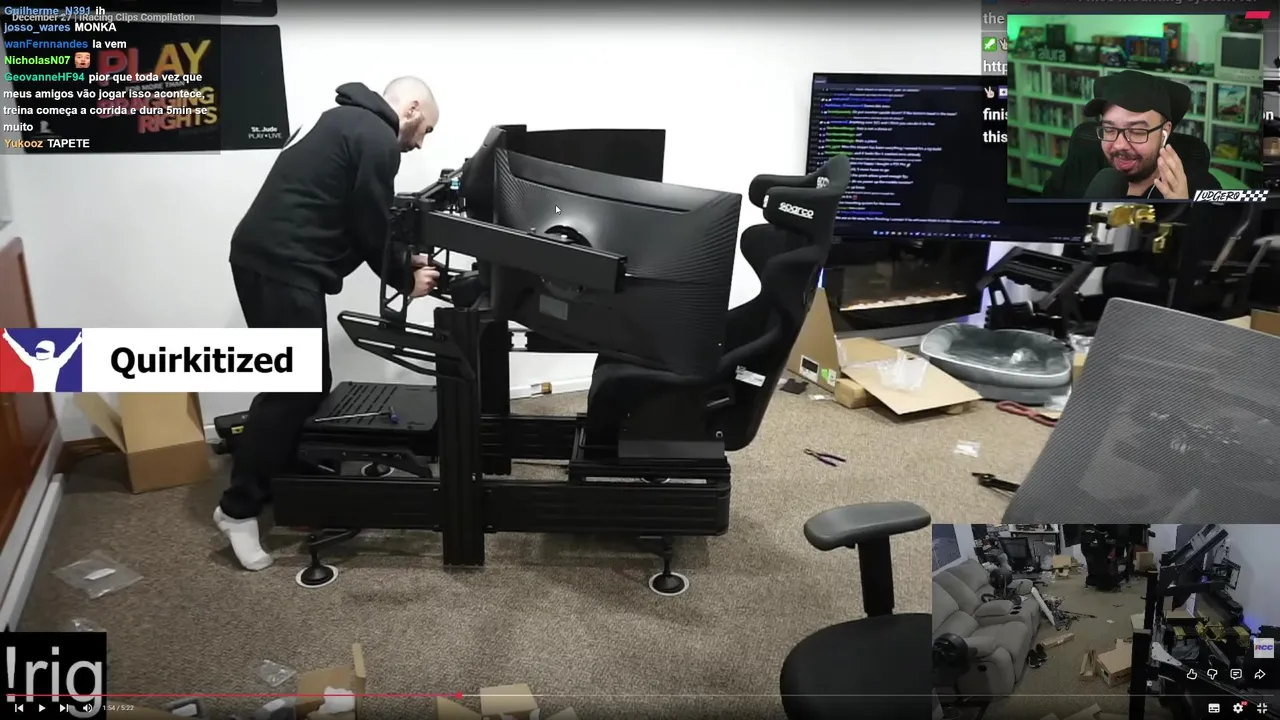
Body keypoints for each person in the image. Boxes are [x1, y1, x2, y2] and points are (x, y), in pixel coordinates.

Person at [215, 77, 441, 571]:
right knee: (291, 389)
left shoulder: (344, 121)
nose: (421, 142)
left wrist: (401, 258)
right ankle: (237, 510)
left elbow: (355, 214)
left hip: (268, 260)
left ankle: (282, 473)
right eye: (426, 129)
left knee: (310, 381)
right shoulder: (377, 138)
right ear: (411, 108)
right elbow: (369, 225)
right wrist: (405, 278)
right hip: (281, 265)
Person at [1040, 70, 1219, 201]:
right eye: (1109, 129)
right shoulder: (1081, 165)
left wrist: (1183, 213)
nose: (1119, 145)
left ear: (1165, 132)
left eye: (1136, 131)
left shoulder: (1199, 186)